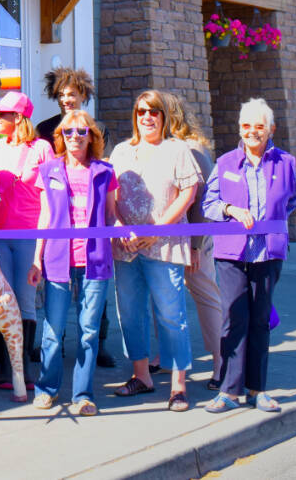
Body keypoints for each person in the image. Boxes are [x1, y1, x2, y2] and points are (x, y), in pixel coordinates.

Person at [203, 98, 296, 414]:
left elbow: (292, 199)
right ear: (240, 129)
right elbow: (209, 205)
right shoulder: (226, 163)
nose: (252, 132)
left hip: (268, 253)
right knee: (234, 318)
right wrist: (231, 210)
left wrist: (273, 223)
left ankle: (257, 389)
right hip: (232, 253)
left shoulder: (286, 163)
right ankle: (229, 390)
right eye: (247, 126)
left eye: (259, 126)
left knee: (260, 320)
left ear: (271, 129)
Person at [108, 89, 201, 412]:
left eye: (153, 112)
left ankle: (178, 386)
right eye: (141, 112)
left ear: (164, 117)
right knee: (131, 314)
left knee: (171, 316)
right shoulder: (121, 151)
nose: (147, 117)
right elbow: (110, 195)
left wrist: (157, 228)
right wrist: (119, 227)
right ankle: (142, 376)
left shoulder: (177, 150)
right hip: (126, 248)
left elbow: (188, 193)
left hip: (164, 246)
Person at [30, 110, 114, 414]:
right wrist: (36, 259)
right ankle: (47, 389)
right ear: (60, 137)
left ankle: (82, 395)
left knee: (89, 330)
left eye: (81, 132)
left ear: (92, 136)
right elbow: (44, 217)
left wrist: (123, 230)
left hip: (95, 261)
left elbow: (111, 215)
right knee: (52, 330)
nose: (75, 137)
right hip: (57, 260)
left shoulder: (105, 171)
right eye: (68, 132)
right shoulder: (49, 170)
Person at [0, 90, 54, 384]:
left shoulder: (41, 149)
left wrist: (40, 248)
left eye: (2, 114)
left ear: (18, 117)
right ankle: (3, 364)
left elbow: (49, 200)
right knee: (2, 299)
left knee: (25, 300)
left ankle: (22, 365)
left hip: (28, 235)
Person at [162, 92, 223, 390]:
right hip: (167, 241)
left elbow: (203, 202)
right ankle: (164, 359)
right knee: (164, 300)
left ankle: (222, 362)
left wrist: (196, 244)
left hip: (194, 240)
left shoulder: (193, 149)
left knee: (206, 297)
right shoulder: (161, 148)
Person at [35, 67, 95, 145]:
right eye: (61, 95)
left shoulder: (96, 128)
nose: (65, 100)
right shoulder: (43, 129)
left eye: (71, 95)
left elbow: (104, 157)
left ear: (83, 96)